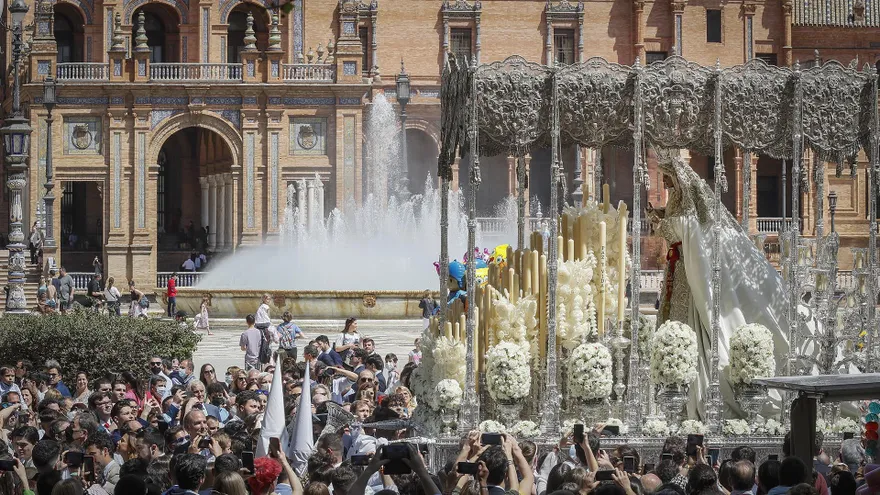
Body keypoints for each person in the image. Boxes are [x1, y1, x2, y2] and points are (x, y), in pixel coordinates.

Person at [647, 151, 798, 419]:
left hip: (690, 279)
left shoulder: (690, 212)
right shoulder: (680, 205)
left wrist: (661, 226)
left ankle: (698, 397)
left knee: (699, 334)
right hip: (680, 273)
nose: (667, 185)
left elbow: (685, 235)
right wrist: (662, 218)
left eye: (669, 179)